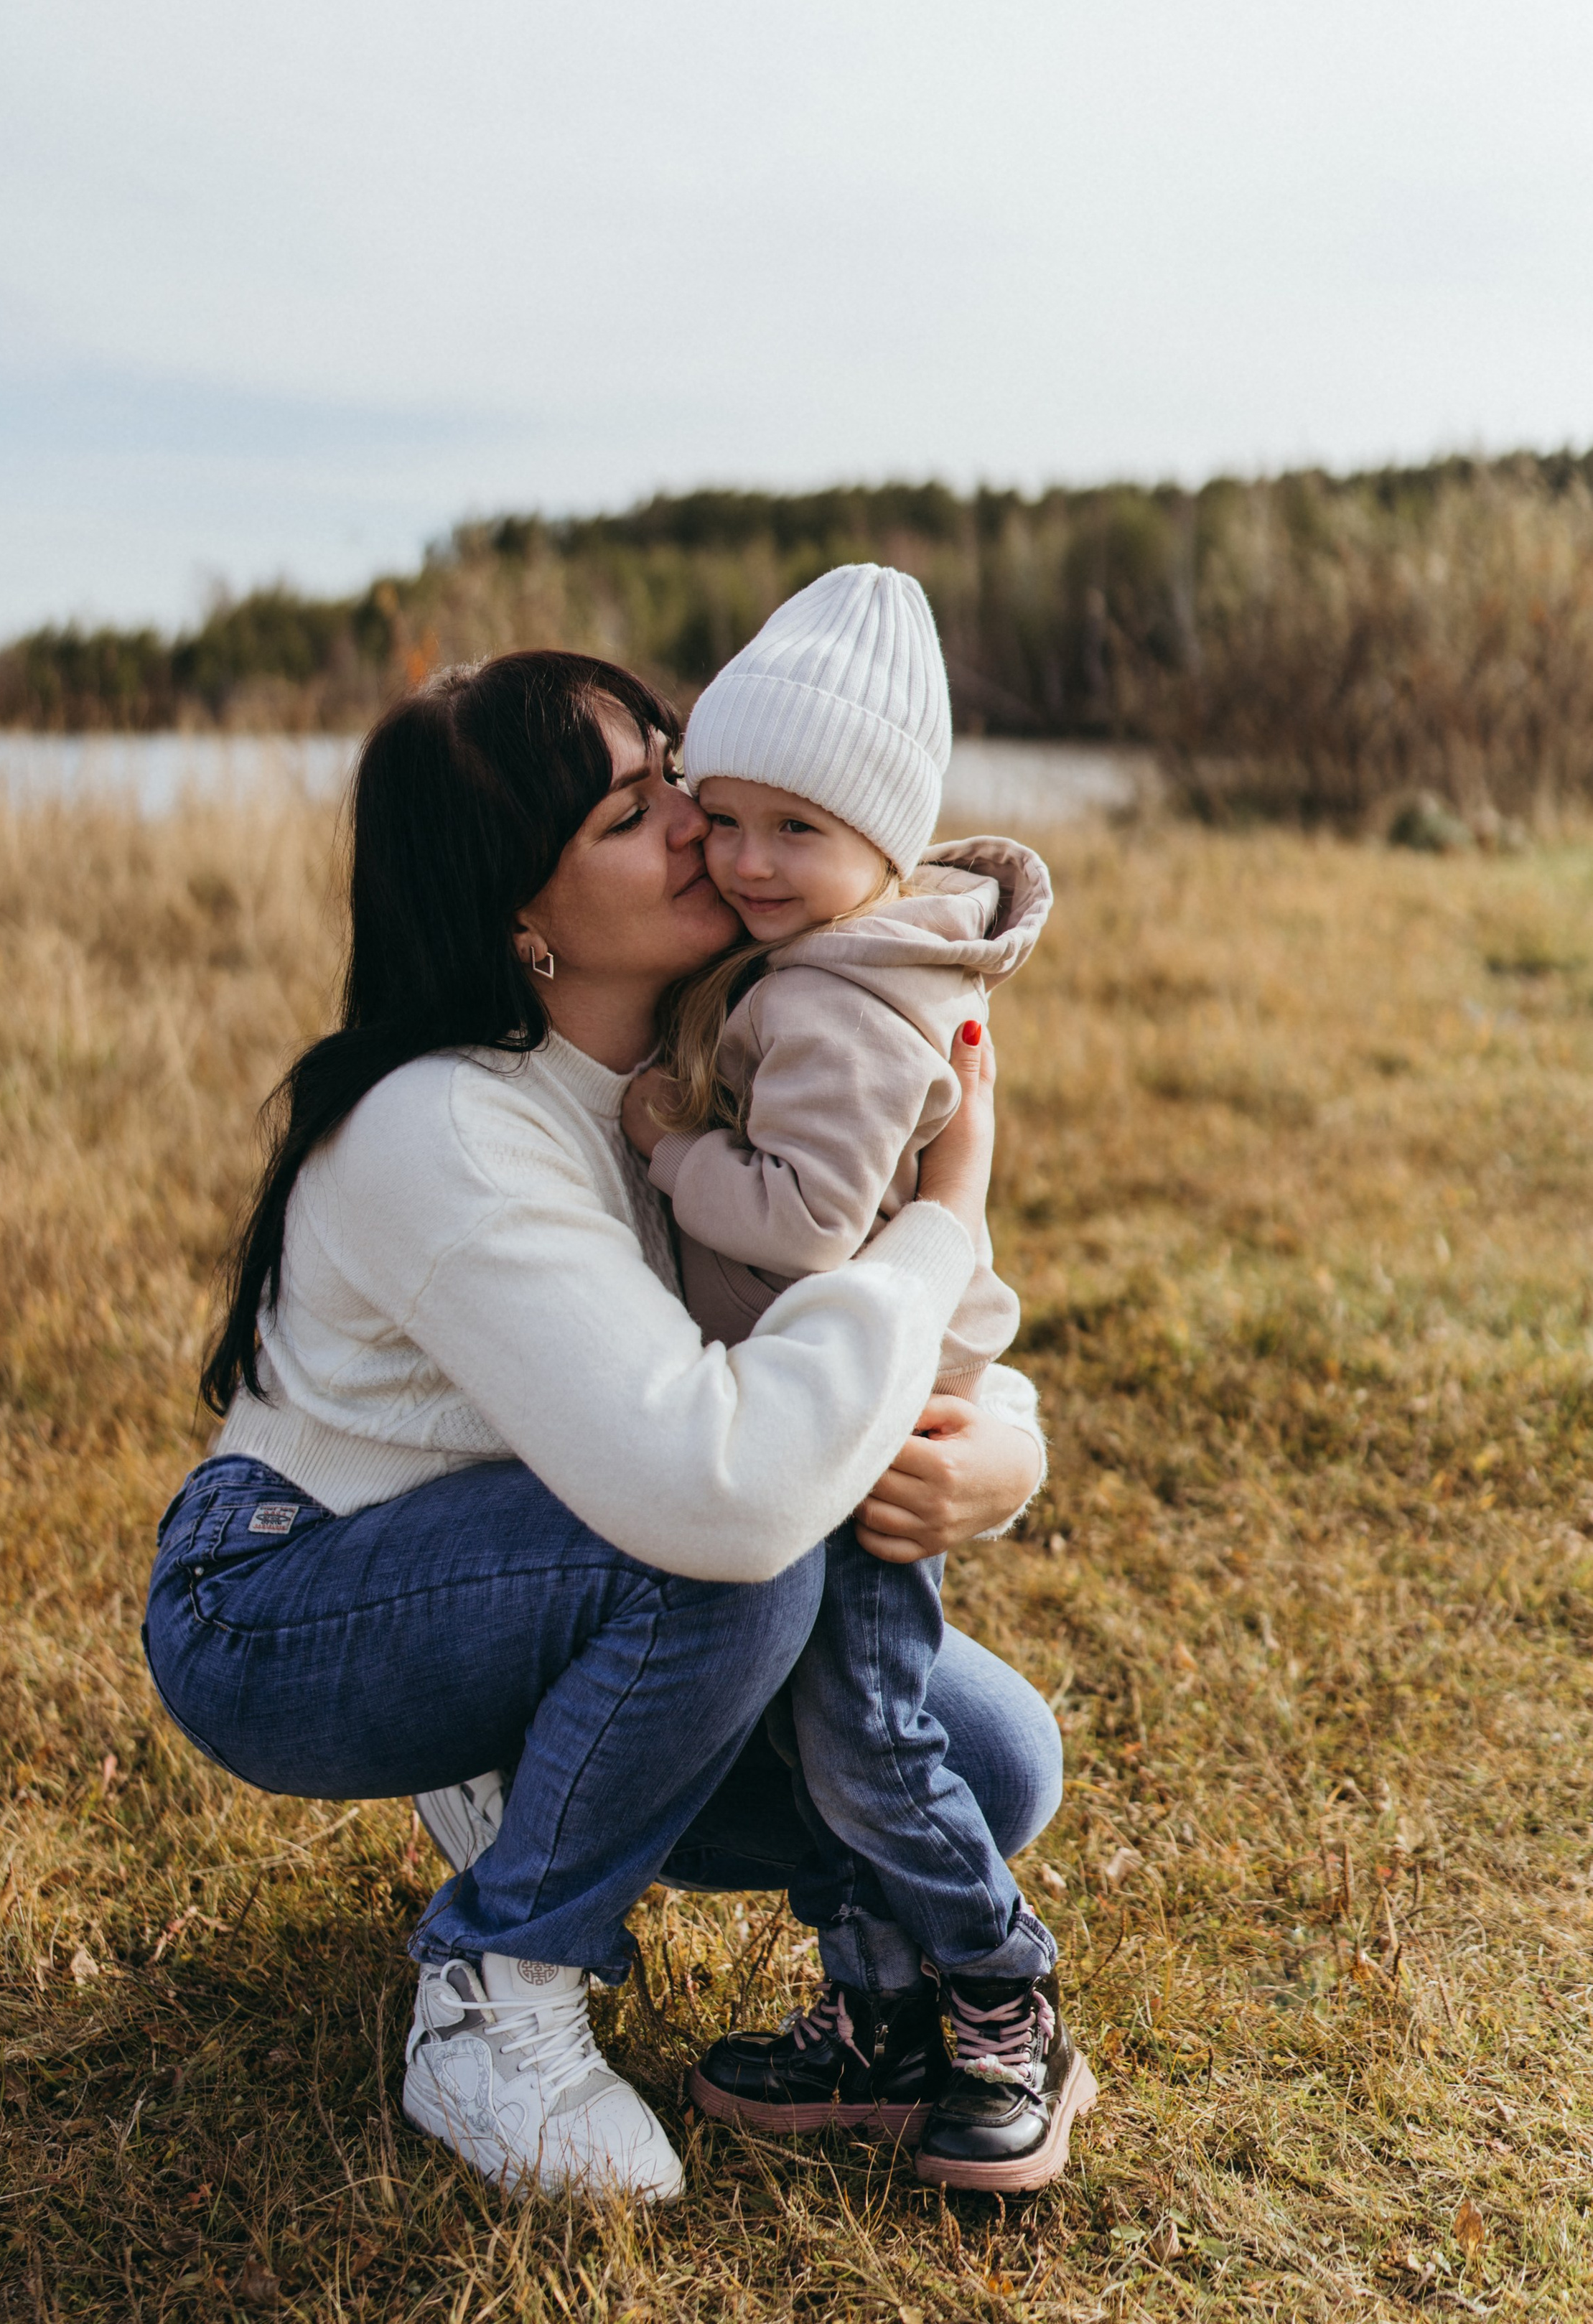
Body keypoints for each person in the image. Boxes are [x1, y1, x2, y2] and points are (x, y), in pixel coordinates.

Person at [140, 648, 1060, 2205]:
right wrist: (946, 1222)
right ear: (521, 910)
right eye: (638, 812)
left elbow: (810, 1306)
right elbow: (723, 1490)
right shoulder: (447, 1123)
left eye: (681, 777)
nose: (703, 828)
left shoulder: (720, 1053)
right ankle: (495, 1994)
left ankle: (591, 1819)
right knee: (733, 1554)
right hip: (289, 1601)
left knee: (983, 1759)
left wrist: (999, 1449)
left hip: (552, 1556)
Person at [618, 564, 1092, 2193]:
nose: (748, 861)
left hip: (844, 1425)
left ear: (881, 847)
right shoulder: (842, 965)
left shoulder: (840, 998)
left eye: (795, 832)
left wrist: (679, 1157)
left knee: (867, 1742)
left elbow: (811, 1223)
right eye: (723, 817)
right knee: (846, 1728)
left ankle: (999, 1992)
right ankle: (877, 2015)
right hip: (819, 1415)